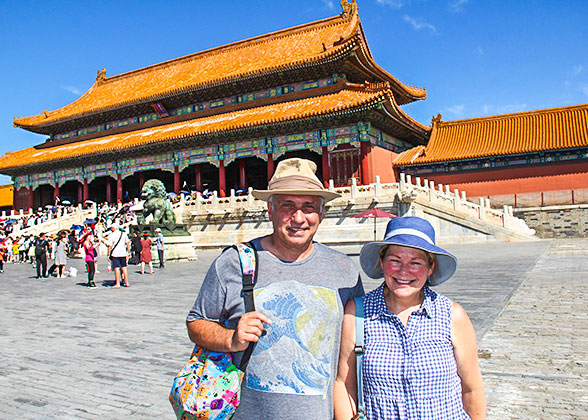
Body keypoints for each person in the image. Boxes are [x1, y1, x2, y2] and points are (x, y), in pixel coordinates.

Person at [186, 158, 364, 420]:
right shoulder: (235, 262)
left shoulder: (344, 271)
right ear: (270, 209)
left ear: (322, 212)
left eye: (309, 207)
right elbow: (196, 323)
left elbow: (353, 351)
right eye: (287, 206)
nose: (298, 218)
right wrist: (230, 339)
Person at [334, 216, 486, 420]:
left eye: (416, 263)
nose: (403, 271)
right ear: (381, 263)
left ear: (430, 268)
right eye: (394, 260)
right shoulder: (358, 313)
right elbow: (344, 384)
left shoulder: (452, 315)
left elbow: (472, 389)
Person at [107, 224, 131, 288]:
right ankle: (127, 282)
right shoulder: (124, 234)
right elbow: (127, 243)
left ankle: (118, 283)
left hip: (115, 253)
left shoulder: (112, 235)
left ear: (114, 228)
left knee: (117, 268)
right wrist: (129, 252)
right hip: (123, 253)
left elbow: (110, 246)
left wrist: (108, 254)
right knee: (124, 267)